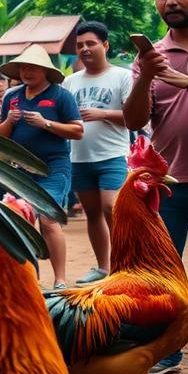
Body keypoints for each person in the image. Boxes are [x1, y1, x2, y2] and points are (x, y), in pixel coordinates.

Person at [123, 0, 188, 374]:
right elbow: (133, 121)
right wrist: (147, 75)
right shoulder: (152, 57)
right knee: (162, 274)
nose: (171, 1)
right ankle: (166, 353)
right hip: (171, 182)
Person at [0, 44, 83, 289]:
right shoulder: (12, 96)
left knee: (47, 219)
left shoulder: (60, 96)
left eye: (32, 67)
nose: (27, 72)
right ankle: (29, 279)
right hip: (19, 169)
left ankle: (60, 279)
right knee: (22, 219)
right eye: (23, 67)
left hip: (53, 168)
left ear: (45, 70)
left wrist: (46, 124)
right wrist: (9, 122)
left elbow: (78, 130)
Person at [62, 21, 133, 286]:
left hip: (113, 155)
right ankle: (104, 268)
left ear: (105, 45)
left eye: (90, 43)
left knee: (111, 208)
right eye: (80, 45)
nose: (84, 49)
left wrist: (102, 113)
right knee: (92, 213)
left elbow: (136, 117)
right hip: (79, 158)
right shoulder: (70, 82)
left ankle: (124, 265)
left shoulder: (123, 76)